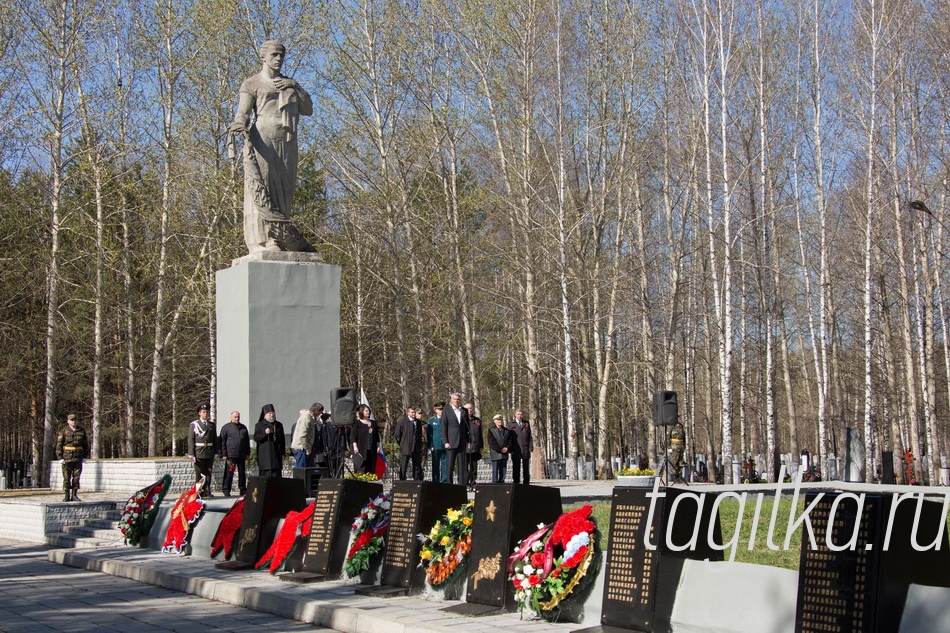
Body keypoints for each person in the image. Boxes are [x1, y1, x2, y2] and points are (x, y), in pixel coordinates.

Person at [228, 40, 315, 254]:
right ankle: (265, 240)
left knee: (283, 191)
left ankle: (282, 237)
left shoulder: (289, 83)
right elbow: (243, 112)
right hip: (263, 140)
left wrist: (294, 85)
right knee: (263, 187)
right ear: (263, 57)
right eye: (274, 55)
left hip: (287, 141)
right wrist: (239, 123)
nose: (278, 59)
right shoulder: (252, 83)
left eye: (281, 56)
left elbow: (308, 109)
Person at [55, 413, 88, 502]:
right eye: (72, 420)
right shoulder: (64, 431)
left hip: (78, 457)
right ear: (68, 421)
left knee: (76, 477)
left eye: (75, 420)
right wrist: (60, 457)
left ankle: (74, 495)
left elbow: (85, 444)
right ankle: (66, 495)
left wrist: (85, 456)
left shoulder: (81, 431)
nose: (74, 421)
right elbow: (59, 445)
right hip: (67, 458)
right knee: (66, 477)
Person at [440, 392, 471, 485]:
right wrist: (445, 442)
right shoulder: (446, 411)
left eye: (458, 399)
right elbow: (444, 427)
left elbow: (467, 427)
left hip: (462, 442)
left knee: (462, 466)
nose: (456, 401)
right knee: (450, 465)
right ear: (451, 400)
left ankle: (462, 485)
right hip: (451, 442)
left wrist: (468, 441)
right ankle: (449, 484)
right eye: (454, 399)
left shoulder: (464, 411)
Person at [188, 404, 218, 496]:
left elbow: (215, 439)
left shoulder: (211, 425)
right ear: (199, 413)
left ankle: (207, 491)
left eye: (207, 412)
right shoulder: (194, 425)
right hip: (198, 451)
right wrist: (191, 453)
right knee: (199, 473)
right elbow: (191, 439)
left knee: (208, 472)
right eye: (204, 412)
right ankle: (198, 492)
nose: (206, 414)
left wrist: (216, 451)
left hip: (209, 451)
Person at [219, 410, 250, 496]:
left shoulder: (243, 428)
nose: (237, 419)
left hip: (241, 454)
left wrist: (248, 453)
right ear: (231, 417)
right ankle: (226, 489)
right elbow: (222, 442)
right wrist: (224, 454)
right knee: (229, 473)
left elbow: (247, 442)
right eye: (235, 417)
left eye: (238, 417)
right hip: (231, 455)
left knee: (242, 473)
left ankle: (243, 489)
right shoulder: (226, 428)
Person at [254, 404, 286, 477]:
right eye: (270, 413)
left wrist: (283, 453)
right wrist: (265, 434)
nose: (272, 415)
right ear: (265, 415)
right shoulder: (259, 425)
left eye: (273, 413)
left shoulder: (278, 425)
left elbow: (282, 439)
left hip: (276, 455)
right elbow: (256, 438)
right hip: (265, 457)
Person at [395, 407, 426, 480]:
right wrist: (402, 444)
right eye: (412, 412)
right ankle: (402, 480)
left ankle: (416, 480)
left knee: (417, 466)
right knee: (404, 466)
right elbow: (397, 434)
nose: (414, 414)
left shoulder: (418, 422)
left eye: (414, 412)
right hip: (406, 447)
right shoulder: (402, 422)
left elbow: (418, 435)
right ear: (408, 413)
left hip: (416, 447)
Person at [351, 404, 381, 475]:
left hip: (371, 449)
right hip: (361, 449)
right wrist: (355, 447)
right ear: (362, 412)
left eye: (368, 411)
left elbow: (377, 436)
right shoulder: (357, 424)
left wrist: (378, 446)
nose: (368, 412)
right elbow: (353, 437)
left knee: (371, 467)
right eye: (366, 411)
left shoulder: (373, 423)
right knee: (362, 468)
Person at [508, 408, 533, 485]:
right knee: (516, 467)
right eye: (518, 414)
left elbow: (529, 436)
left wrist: (530, 446)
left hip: (525, 448)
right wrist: (509, 448)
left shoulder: (526, 423)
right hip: (516, 449)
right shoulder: (511, 424)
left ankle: (526, 482)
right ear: (515, 415)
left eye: (521, 414)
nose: (520, 416)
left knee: (526, 467)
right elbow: (509, 437)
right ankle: (516, 482)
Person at [487, 414, 513, 483]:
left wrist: (507, 448)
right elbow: (491, 442)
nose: (500, 421)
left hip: (504, 454)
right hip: (496, 453)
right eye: (498, 420)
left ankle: (502, 483)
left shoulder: (506, 430)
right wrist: (500, 449)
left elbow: (510, 440)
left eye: (500, 419)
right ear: (494, 421)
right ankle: (494, 485)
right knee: (495, 470)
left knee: (503, 470)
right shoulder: (491, 430)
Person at [427, 401, 448, 483]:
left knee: (445, 465)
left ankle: (444, 481)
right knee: (435, 465)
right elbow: (430, 434)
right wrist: (430, 445)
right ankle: (435, 481)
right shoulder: (431, 420)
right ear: (435, 410)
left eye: (442, 409)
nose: (441, 411)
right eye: (439, 409)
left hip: (444, 445)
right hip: (435, 446)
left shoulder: (447, 419)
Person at [466, 411, 483, 490]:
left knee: (474, 466)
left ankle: (473, 483)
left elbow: (480, 433)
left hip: (475, 446)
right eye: (467, 408)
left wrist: (481, 446)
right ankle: (466, 483)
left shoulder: (477, 420)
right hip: (466, 448)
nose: (469, 410)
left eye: (470, 408)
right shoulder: (463, 419)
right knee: (465, 467)